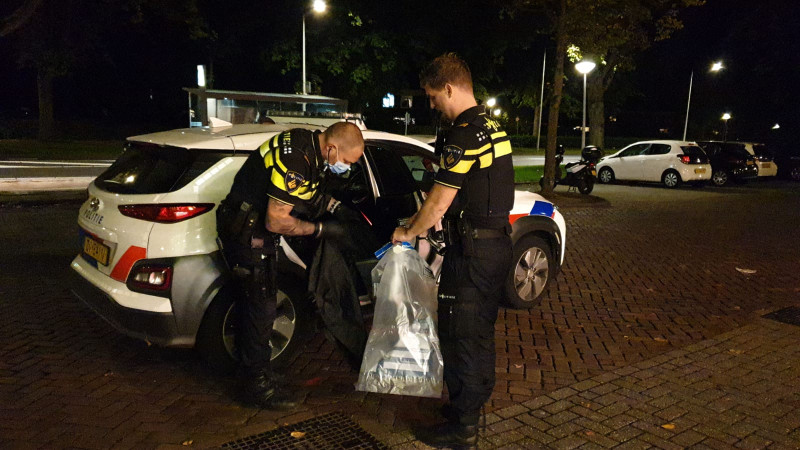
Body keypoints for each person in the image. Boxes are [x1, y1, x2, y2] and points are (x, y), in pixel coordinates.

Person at [392, 53, 514, 448]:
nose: (432, 105)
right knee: (477, 331)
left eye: (432, 97)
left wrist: (408, 232)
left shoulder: (464, 135)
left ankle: (463, 428)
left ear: (448, 88)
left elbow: (439, 203)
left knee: (461, 335)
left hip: (474, 252)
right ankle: (468, 406)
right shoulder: (490, 127)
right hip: (493, 246)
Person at [216, 122, 364, 409]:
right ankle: (256, 387)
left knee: (259, 304)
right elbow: (276, 220)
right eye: (347, 161)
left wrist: (335, 208)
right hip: (248, 232)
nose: (346, 167)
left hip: (253, 229)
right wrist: (319, 230)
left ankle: (257, 371)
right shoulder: (297, 159)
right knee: (261, 307)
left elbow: (307, 193)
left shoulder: (309, 148)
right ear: (332, 149)